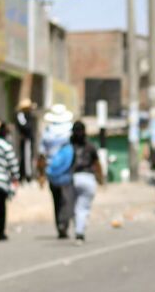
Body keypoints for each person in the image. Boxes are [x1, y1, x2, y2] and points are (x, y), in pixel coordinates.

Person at [39, 103, 75, 238]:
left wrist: (41, 174)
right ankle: (64, 223)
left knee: (56, 199)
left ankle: (59, 224)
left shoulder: (47, 132)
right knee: (67, 199)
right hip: (67, 170)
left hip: (52, 170)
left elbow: (41, 154)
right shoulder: (69, 131)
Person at [67, 120, 104, 244]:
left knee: (74, 207)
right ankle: (79, 233)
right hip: (88, 179)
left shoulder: (68, 146)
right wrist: (101, 179)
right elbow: (97, 164)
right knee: (83, 208)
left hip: (72, 179)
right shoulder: (90, 146)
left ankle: (78, 229)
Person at [14, 99, 37, 182]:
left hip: (29, 139)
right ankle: (26, 176)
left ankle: (27, 175)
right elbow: (25, 126)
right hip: (25, 139)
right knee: (26, 157)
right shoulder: (21, 115)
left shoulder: (29, 115)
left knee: (28, 156)